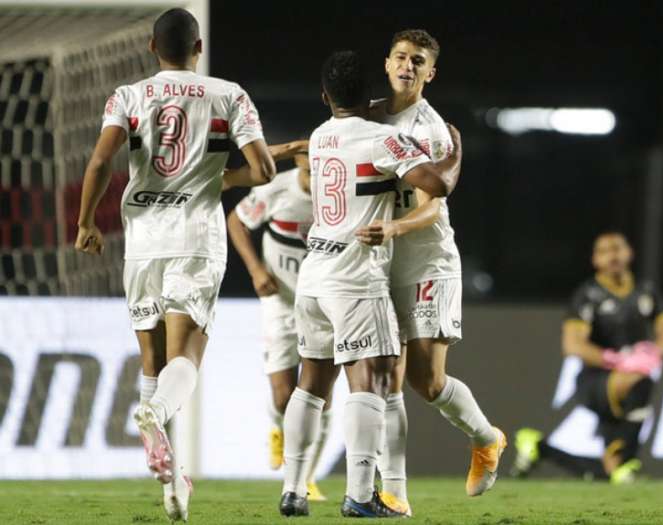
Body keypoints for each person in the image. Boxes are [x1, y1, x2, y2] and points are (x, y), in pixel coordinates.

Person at [74, 8, 278, 521]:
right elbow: (263, 168)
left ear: (150, 47)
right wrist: (222, 180)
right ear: (199, 47)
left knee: (154, 365)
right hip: (195, 238)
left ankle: (172, 486)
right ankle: (154, 414)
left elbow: (100, 162)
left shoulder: (128, 96)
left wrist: (86, 224)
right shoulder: (228, 94)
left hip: (142, 240)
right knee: (185, 358)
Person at [278, 50, 462, 518]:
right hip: (357, 275)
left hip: (313, 272)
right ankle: (361, 494)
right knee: (373, 380)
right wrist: (454, 150)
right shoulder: (385, 139)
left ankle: (293, 488)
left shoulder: (320, 137)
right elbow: (435, 186)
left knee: (311, 383)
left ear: (326, 97)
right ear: (371, 96)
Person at [366, 29, 506, 513]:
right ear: (387, 63)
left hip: (427, 260)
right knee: (385, 375)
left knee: (425, 383)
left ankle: (486, 438)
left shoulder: (432, 130)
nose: (407, 65)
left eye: (418, 60)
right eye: (401, 56)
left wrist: (395, 228)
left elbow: (432, 207)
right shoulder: (364, 114)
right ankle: (395, 495)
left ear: (430, 72)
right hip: (378, 265)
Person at [513, 232, 663, 483]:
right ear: (595, 260)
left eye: (617, 248)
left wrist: (652, 351)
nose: (613, 255)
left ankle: (538, 447)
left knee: (607, 474)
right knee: (641, 383)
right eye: (605, 251)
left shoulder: (646, 291)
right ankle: (626, 459)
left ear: (629, 253)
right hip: (595, 381)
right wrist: (613, 359)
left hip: (627, 383)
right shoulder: (588, 295)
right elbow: (572, 344)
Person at [226, 148, 331, 501]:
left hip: (324, 305)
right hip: (281, 304)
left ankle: (308, 478)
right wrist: (256, 270)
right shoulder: (277, 189)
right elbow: (236, 221)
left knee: (321, 395)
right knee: (284, 395)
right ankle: (277, 428)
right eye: (314, 167)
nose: (322, 177)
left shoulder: (339, 195)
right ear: (301, 163)